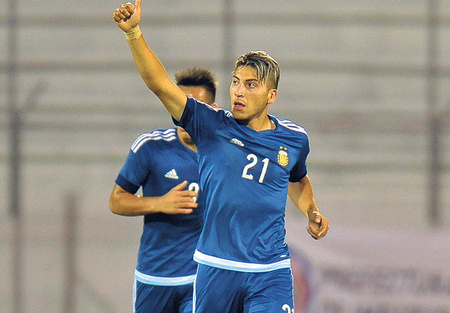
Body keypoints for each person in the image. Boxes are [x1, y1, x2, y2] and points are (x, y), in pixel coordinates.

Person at [113, 1, 329, 312]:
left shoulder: (294, 139)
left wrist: (311, 211)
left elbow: (297, 179)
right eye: (236, 82)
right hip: (216, 268)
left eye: (251, 85)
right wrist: (133, 32)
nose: (239, 92)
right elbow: (159, 85)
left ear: (272, 95)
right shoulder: (210, 126)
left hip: (270, 270)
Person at [109, 66, 218, 313]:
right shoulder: (151, 148)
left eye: (191, 108)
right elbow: (117, 201)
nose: (183, 115)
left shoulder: (225, 153)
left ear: (212, 110)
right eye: (177, 106)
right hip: (154, 277)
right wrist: (159, 203)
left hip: (200, 280)